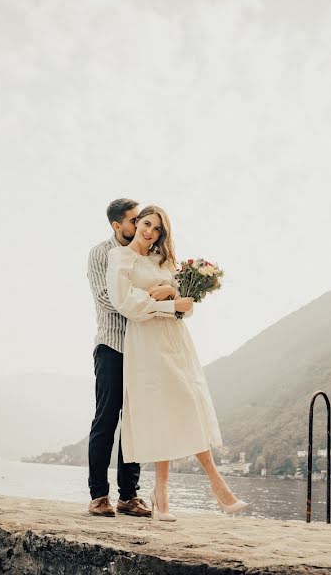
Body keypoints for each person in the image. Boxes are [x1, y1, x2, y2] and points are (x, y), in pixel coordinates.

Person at [105, 204, 248, 521]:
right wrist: (167, 304)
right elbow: (126, 303)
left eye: (157, 229)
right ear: (137, 223)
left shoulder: (164, 261)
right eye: (146, 224)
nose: (149, 232)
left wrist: (171, 292)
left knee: (186, 402)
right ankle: (214, 485)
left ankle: (163, 494)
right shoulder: (121, 258)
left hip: (175, 340)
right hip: (146, 342)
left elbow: (186, 307)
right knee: (164, 408)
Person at [86, 198, 151, 518]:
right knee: (106, 420)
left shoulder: (145, 254)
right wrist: (149, 301)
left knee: (136, 423)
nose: (140, 224)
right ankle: (99, 495)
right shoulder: (100, 253)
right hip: (111, 345)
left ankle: (129, 496)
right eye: (134, 219)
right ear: (117, 226)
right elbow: (106, 297)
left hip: (142, 349)